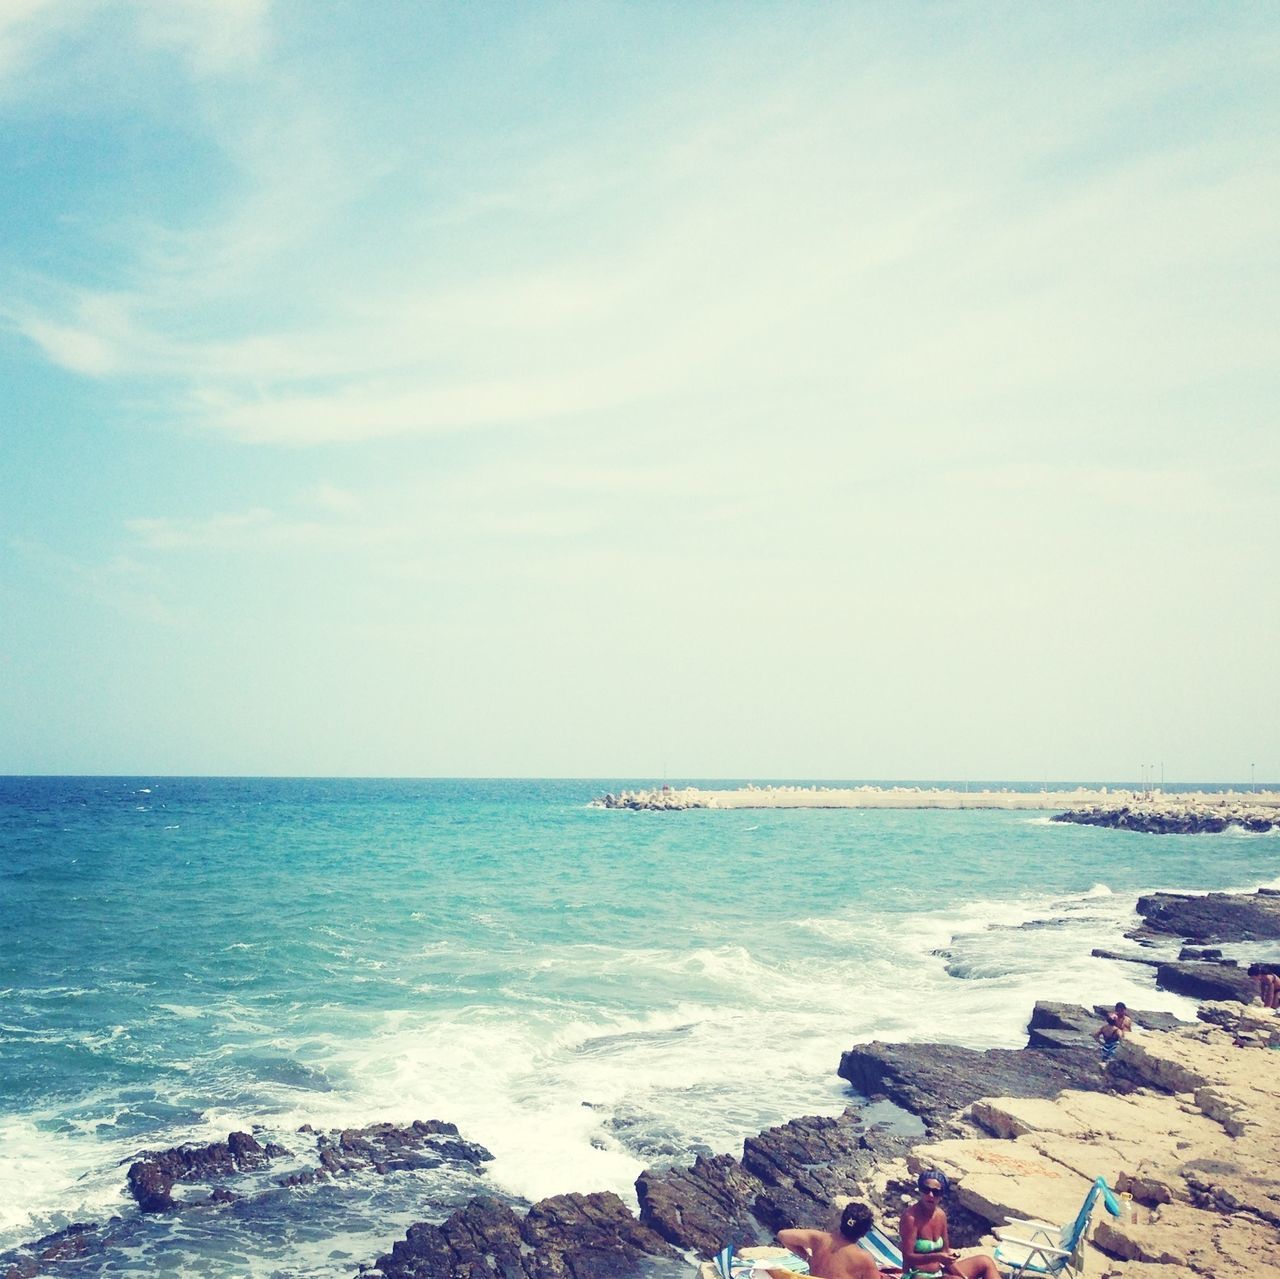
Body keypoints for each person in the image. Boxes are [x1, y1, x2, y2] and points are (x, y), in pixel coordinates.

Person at [900, 1170, 1000, 1279]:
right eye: (926, 1190)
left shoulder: (940, 1215)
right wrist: (937, 1257)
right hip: (916, 1275)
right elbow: (908, 1257)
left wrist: (964, 1276)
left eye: (936, 1192)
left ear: (942, 1195)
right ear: (920, 1190)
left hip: (939, 1273)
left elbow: (945, 1253)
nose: (930, 1195)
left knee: (985, 1262)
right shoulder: (910, 1217)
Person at [775, 1200, 878, 1279]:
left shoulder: (820, 1238)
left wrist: (807, 1258)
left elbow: (783, 1235)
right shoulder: (864, 1259)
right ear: (864, 1233)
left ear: (842, 1222)